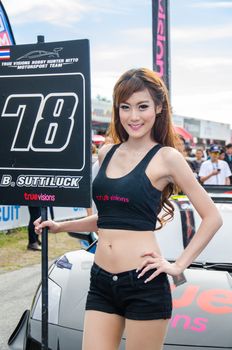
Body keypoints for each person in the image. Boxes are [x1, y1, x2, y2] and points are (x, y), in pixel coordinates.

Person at [34, 68, 222, 350]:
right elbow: (108, 220)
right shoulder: (106, 152)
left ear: (159, 107)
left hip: (144, 283)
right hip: (100, 280)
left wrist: (178, 265)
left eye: (142, 106)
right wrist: (61, 226)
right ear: (117, 109)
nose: (134, 116)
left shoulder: (167, 158)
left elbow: (212, 217)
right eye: (126, 107)